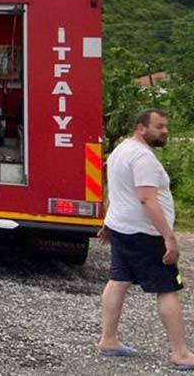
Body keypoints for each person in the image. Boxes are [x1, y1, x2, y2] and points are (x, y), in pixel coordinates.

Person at [97, 109, 194, 369]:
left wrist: (107, 222)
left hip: (122, 228)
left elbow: (115, 189)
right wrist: (169, 238)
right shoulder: (143, 158)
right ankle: (181, 353)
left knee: (118, 280)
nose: (165, 131)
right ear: (141, 128)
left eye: (166, 126)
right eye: (159, 126)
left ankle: (109, 340)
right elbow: (146, 198)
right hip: (145, 233)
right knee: (168, 288)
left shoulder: (120, 150)